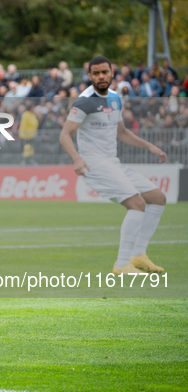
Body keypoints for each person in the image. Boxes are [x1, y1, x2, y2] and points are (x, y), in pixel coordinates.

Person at [59, 56, 168, 275]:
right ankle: (121, 264)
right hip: (94, 165)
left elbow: (122, 133)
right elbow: (65, 134)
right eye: (96, 73)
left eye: (105, 72)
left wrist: (149, 147)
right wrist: (77, 159)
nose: (101, 77)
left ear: (111, 73)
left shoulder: (116, 98)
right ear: (90, 76)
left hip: (113, 163)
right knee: (137, 203)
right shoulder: (84, 101)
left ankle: (138, 255)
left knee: (158, 198)